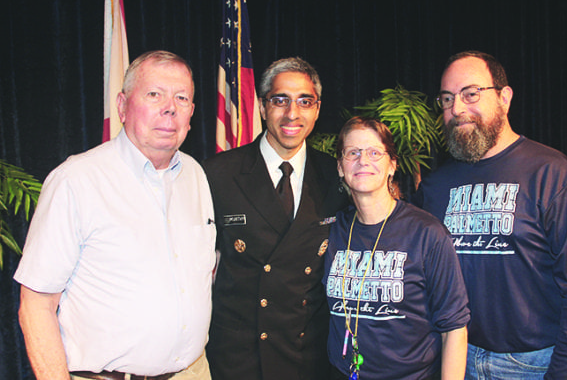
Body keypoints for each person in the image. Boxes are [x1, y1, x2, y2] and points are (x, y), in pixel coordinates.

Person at [14, 50, 215, 380]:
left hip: (192, 372)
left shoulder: (195, 175)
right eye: (154, 94)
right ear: (122, 106)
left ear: (191, 114)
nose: (170, 107)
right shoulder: (76, 180)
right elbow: (36, 304)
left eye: (182, 97)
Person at [413, 50, 567, 379]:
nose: (456, 109)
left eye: (471, 94)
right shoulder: (435, 186)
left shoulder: (552, 174)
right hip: (456, 358)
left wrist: (564, 373)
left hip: (536, 364)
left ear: (504, 98)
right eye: (447, 99)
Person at [203, 57, 349, 379]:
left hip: (307, 361)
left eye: (304, 101)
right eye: (280, 100)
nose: (292, 114)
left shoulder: (337, 177)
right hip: (238, 362)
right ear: (261, 106)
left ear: (317, 108)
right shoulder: (218, 174)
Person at [324, 116, 470, 380]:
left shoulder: (427, 233)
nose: (363, 161)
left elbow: (454, 329)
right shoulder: (333, 230)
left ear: (392, 165)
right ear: (339, 166)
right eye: (352, 152)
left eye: (374, 152)